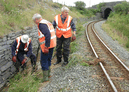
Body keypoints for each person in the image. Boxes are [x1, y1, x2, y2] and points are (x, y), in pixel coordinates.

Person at [32, 13, 56, 82]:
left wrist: (46, 46)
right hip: (52, 44)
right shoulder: (46, 22)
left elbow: (47, 34)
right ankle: (49, 74)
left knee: (43, 61)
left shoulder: (41, 24)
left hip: (47, 45)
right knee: (48, 59)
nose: (35, 23)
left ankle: (45, 78)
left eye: (34, 21)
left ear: (36, 19)